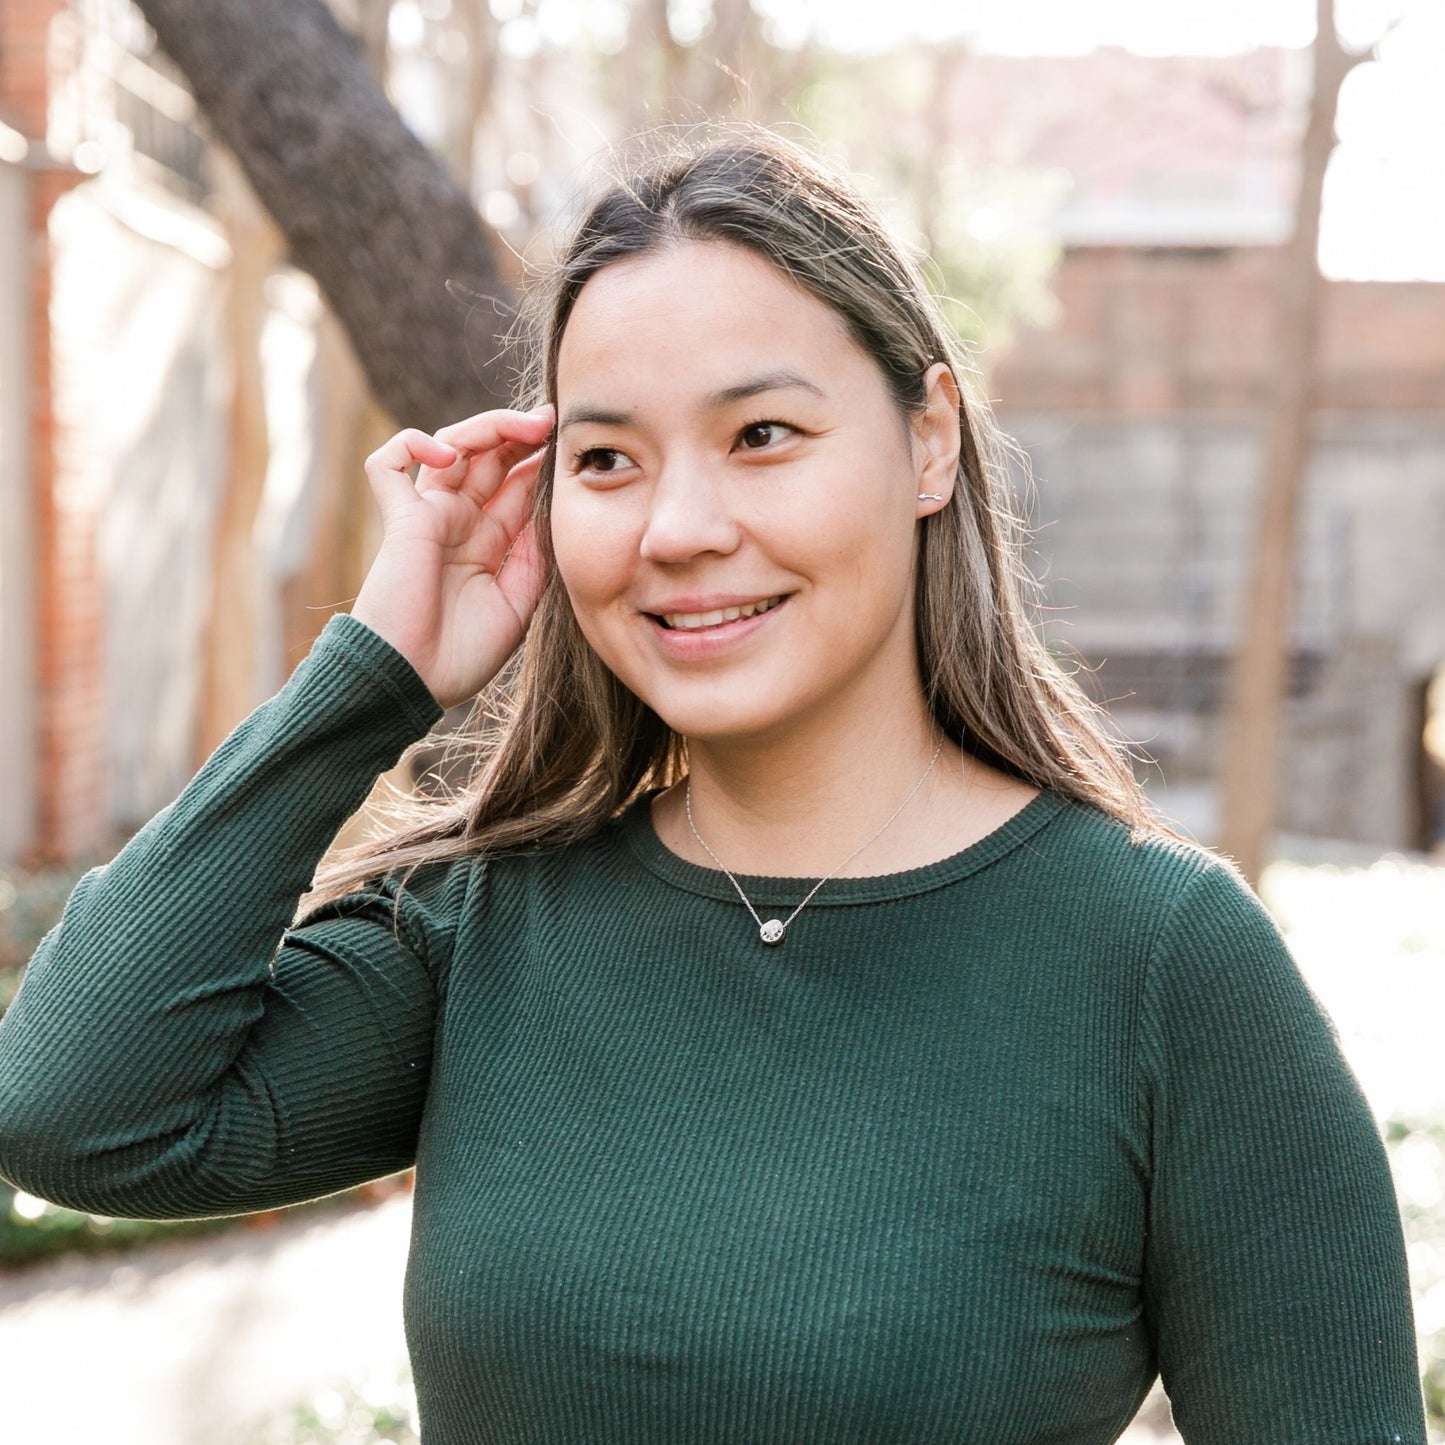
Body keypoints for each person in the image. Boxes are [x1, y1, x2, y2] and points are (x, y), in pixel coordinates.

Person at [0, 125, 1426, 1443]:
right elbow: (77, 1111)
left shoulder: (1166, 966)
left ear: (927, 440)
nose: (679, 527)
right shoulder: (483, 928)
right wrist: (374, 672)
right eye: (608, 457)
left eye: (760, 436)